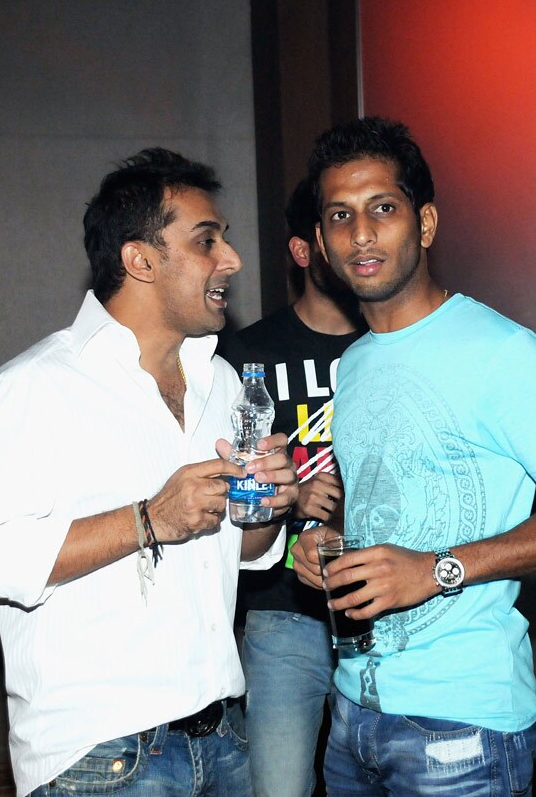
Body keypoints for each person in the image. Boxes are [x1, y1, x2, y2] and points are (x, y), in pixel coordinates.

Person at [0, 148, 298, 797]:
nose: (232, 260)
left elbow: (243, 552)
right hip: (102, 757)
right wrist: (148, 518)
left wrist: (269, 504)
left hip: (223, 736)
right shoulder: (31, 389)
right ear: (140, 259)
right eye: (207, 241)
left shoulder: (221, 382)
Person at [291, 117, 536, 796]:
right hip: (352, 714)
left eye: (382, 208)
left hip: (460, 728)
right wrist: (326, 540)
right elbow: (385, 502)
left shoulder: (499, 350)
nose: (361, 233)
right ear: (321, 244)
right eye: (340, 216)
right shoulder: (351, 366)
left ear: (426, 223)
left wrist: (437, 569)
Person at [219, 178, 365, 797]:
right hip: (283, 614)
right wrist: (291, 500)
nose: (356, 243)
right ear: (305, 251)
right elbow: (218, 475)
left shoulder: (391, 345)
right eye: (334, 228)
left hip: (389, 609)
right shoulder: (246, 353)